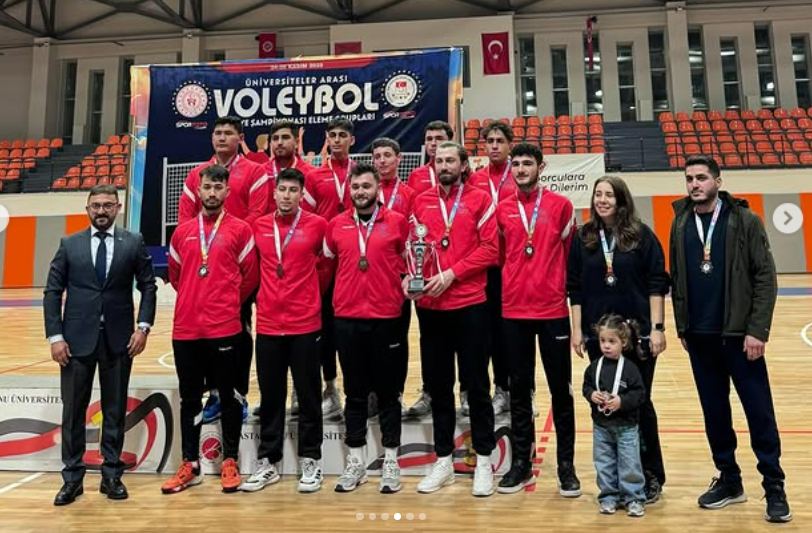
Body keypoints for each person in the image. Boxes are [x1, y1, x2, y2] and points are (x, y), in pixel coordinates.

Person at [669, 155, 791, 523]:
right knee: (715, 415)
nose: (694, 184)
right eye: (689, 178)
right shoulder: (680, 221)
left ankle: (774, 486)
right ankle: (729, 480)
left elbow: (765, 277)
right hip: (699, 337)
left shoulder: (745, 220)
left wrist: (757, 330)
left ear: (718, 182)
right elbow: (679, 277)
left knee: (759, 413)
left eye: (701, 178)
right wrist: (682, 326)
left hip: (740, 338)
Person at [44, 185, 157, 506]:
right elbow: (52, 291)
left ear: (118, 208)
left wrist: (143, 328)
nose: (102, 210)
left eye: (108, 205)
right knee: (73, 412)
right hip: (74, 342)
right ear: (87, 209)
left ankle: (111, 475)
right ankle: (72, 479)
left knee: (114, 410)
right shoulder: (69, 244)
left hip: (120, 341)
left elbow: (148, 286)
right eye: (96, 205)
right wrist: (55, 337)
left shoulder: (133, 242)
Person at [567, 175, 670, 502]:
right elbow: (575, 287)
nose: (602, 200)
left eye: (609, 195)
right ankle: (616, 479)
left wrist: (658, 328)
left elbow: (657, 283)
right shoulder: (583, 237)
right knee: (605, 405)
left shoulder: (641, 235)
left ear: (621, 199)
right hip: (600, 339)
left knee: (638, 403)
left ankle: (650, 474)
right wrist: (577, 330)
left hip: (637, 338)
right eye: (598, 194)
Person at [406, 141, 498, 497]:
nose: (443, 165)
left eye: (450, 160)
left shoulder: (480, 199)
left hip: (470, 304)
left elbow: (491, 249)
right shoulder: (421, 200)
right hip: (431, 308)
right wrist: (409, 278)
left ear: (463, 165)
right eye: (438, 160)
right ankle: (443, 459)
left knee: (477, 386)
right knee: (439, 387)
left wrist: (452, 274)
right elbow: (412, 249)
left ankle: (484, 460)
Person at [163, 164, 259, 495]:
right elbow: (176, 276)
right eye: (207, 187)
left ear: (227, 191)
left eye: (218, 187)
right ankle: (190, 464)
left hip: (225, 328)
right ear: (198, 191)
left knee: (230, 397)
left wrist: (225, 301)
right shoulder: (182, 232)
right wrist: (197, 299)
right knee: (190, 399)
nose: (212, 193)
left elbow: (249, 277)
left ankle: (230, 460)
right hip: (186, 329)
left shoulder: (241, 230)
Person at [495, 143, 580, 497]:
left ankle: (566, 467)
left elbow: (571, 258)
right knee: (519, 391)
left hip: (552, 311)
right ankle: (521, 464)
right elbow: (502, 258)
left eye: (527, 163)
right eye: (516, 164)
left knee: (561, 391)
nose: (520, 169)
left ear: (541, 167)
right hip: (514, 311)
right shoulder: (502, 208)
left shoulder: (561, 206)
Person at [323, 162, 410, 493]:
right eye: (356, 186)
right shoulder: (336, 225)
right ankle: (356, 462)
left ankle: (391, 461)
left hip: (386, 318)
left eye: (366, 186)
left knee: (388, 393)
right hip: (347, 319)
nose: (361, 192)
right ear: (350, 190)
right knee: (355, 393)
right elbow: (328, 266)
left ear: (378, 189)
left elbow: (408, 262)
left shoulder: (398, 223)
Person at [240, 168, 327, 493]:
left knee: (309, 396)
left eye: (293, 190)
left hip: (306, 324)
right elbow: (250, 270)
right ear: (274, 193)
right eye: (282, 190)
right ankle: (268, 460)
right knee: (271, 396)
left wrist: (309, 298)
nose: (287, 195)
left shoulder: (318, 225)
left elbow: (326, 267)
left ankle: (311, 459)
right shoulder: (259, 226)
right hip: (269, 324)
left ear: (302, 195)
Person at [178, 116, 269, 422]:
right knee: (204, 338)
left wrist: (229, 240)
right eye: (217, 133)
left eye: (228, 133)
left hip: (239, 266)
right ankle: (214, 394)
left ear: (240, 138)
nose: (221, 137)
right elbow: (185, 221)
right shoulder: (196, 175)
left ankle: (236, 395)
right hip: (205, 271)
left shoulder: (255, 172)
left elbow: (257, 216)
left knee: (240, 333)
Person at [304, 117, 357, 417]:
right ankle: (330, 388)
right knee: (323, 329)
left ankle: (358, 389)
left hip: (353, 261)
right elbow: (307, 218)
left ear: (352, 140)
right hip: (324, 265)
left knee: (351, 330)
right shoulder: (314, 176)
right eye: (332, 135)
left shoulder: (360, 173)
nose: (337, 140)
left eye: (342, 135)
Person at [470, 121, 517, 417]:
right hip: (485, 269)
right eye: (490, 141)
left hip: (514, 267)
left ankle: (518, 389)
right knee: (484, 334)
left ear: (510, 144)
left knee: (511, 333)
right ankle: (495, 390)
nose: (495, 146)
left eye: (500, 140)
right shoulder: (476, 179)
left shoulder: (519, 175)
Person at [582, 314, 647, 517]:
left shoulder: (630, 369)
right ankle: (608, 496)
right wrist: (592, 395)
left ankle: (633, 498)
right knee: (604, 463)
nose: (606, 346)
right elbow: (586, 386)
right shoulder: (594, 366)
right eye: (603, 341)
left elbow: (640, 394)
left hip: (626, 427)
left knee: (630, 464)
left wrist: (621, 401)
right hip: (601, 426)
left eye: (612, 341)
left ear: (623, 342)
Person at [371, 137, 415, 412]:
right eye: (377, 156)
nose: (382, 160)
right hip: (370, 276)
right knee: (369, 339)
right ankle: (372, 392)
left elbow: (414, 238)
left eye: (387, 155)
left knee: (398, 339)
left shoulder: (409, 194)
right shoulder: (364, 190)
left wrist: (409, 273)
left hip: (398, 279)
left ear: (398, 159)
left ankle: (396, 392)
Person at [265, 120, 316, 214]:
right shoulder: (261, 173)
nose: (279, 142)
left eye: (285, 137)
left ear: (297, 142)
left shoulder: (311, 174)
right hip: (268, 223)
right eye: (275, 138)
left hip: (302, 223)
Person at [406, 120, 454, 195]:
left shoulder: (462, 173)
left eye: (439, 138)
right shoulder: (416, 175)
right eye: (429, 139)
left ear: (450, 142)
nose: (433, 143)